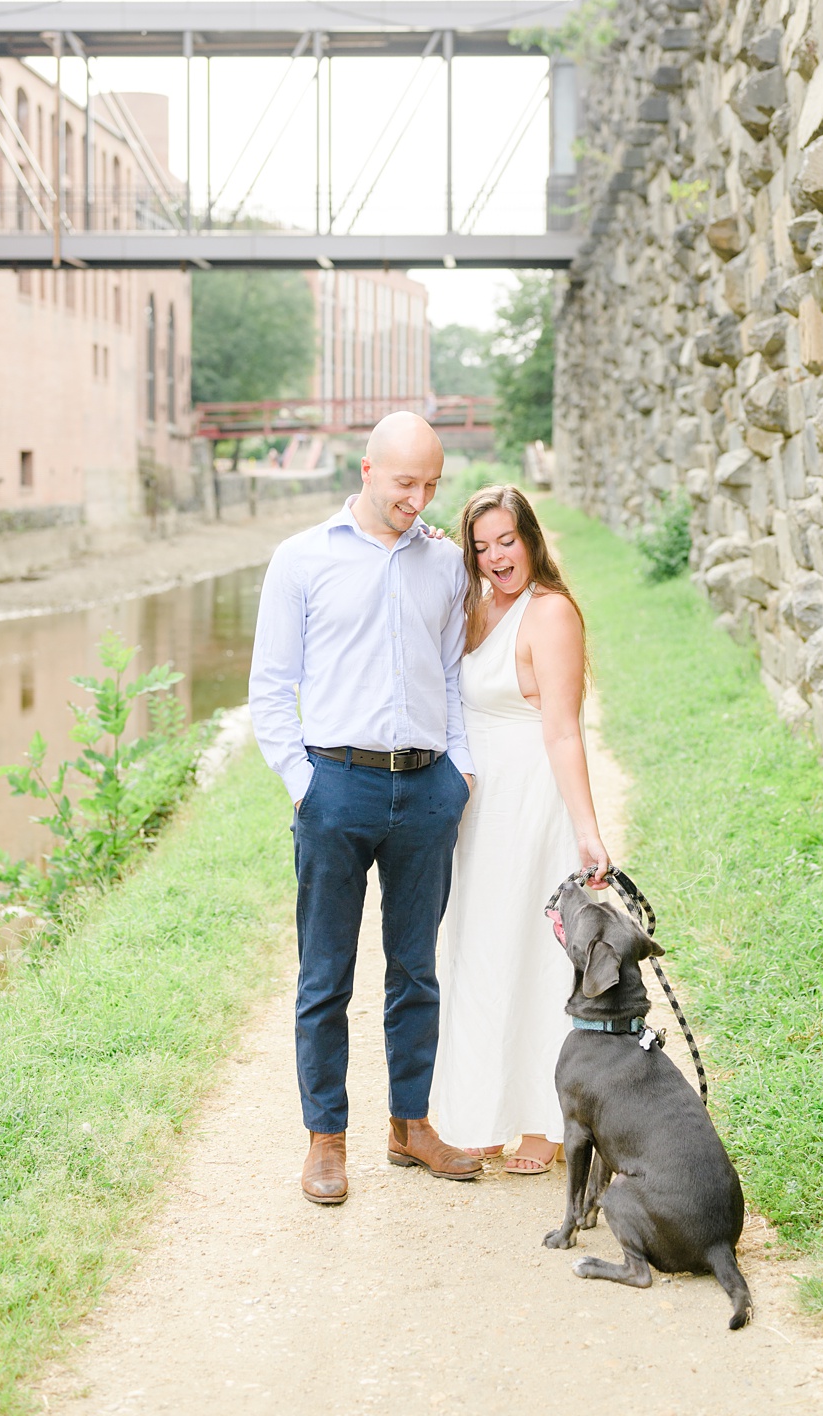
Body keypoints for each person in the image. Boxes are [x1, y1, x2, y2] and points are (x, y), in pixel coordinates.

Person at [246, 412, 482, 1207]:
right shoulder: (301, 560)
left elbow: (451, 675)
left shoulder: (446, 565)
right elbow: (271, 685)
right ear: (367, 470)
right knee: (326, 976)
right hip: (334, 786)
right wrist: (301, 781)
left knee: (416, 971)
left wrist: (461, 770)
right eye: (406, 483)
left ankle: (410, 1125)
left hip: (425, 788)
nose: (418, 499)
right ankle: (326, 1139)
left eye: (431, 485)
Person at [431, 485, 611, 1176]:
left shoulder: (550, 613)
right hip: (480, 810)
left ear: (531, 538)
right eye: (482, 546)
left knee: (534, 957)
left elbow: (563, 730)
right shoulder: (476, 607)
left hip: (533, 803)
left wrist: (587, 829)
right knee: (478, 949)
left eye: (507, 540)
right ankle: (483, 1112)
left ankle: (541, 1123)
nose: (495, 556)